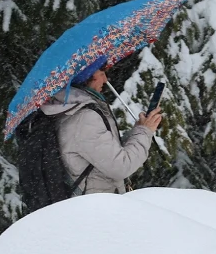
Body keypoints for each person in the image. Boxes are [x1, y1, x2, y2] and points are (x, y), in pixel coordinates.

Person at [38, 55, 164, 195]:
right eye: (102, 73)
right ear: (86, 76)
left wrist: (139, 130)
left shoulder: (72, 110)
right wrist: (144, 131)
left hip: (98, 200)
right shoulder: (83, 119)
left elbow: (110, 153)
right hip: (99, 204)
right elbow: (121, 166)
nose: (105, 79)